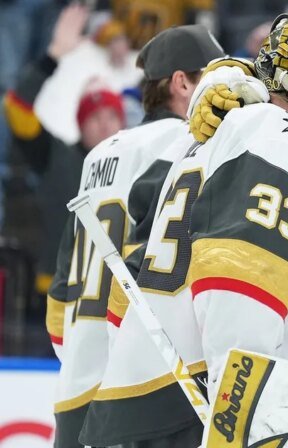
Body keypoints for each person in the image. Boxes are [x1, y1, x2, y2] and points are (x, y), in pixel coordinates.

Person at [79, 10, 288, 448]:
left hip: (153, 392)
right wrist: (241, 422)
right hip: (211, 404)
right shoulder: (287, 139)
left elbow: (132, 271)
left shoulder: (208, 135)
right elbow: (241, 284)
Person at [45, 23, 225, 448]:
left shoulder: (98, 154)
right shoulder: (188, 142)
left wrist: (83, 353)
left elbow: (60, 295)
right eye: (214, 77)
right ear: (182, 83)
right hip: (139, 393)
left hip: (75, 391)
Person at [3, 4, 125, 298]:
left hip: (116, 297)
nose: (103, 124)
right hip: (57, 290)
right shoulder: (55, 155)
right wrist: (54, 55)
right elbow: (16, 107)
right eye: (94, 116)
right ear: (80, 123)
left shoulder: (138, 160)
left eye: (111, 115)